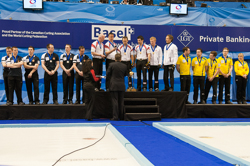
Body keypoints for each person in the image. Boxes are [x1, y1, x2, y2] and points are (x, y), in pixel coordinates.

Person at [106, 53, 129, 120]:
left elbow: (107, 74)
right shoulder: (124, 66)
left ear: (115, 59)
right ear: (120, 59)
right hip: (121, 85)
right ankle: (121, 116)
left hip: (114, 85)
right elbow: (126, 74)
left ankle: (115, 116)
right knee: (121, 101)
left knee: (115, 101)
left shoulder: (111, 65)